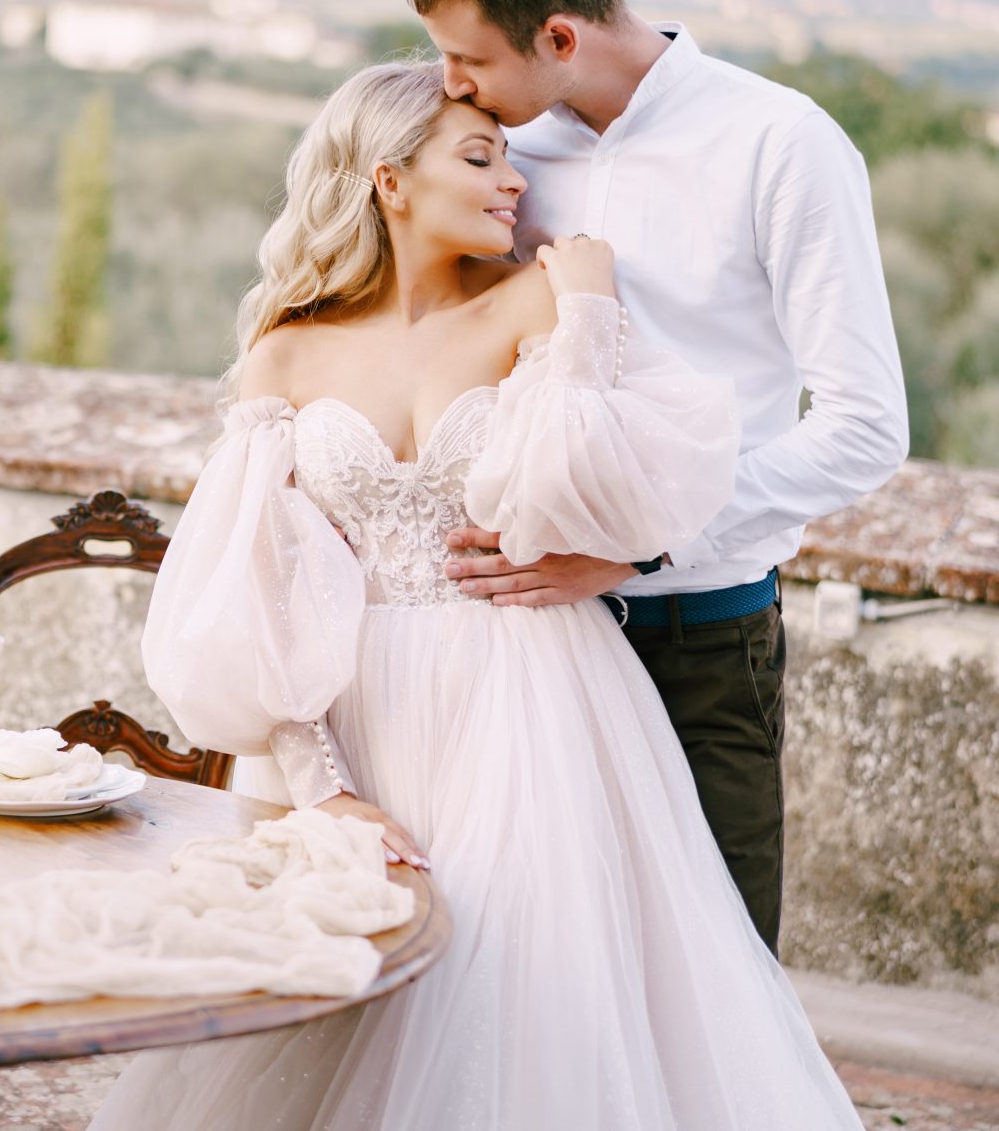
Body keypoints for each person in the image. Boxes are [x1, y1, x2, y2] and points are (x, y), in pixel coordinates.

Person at [86, 59, 863, 1129]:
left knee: (519, 995)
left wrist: (588, 312)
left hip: (536, 699)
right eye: (481, 156)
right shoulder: (285, 353)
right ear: (389, 180)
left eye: (509, 157)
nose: (517, 185)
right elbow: (253, 599)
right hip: (361, 713)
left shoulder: (540, 300)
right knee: (351, 1006)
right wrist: (323, 789)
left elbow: (607, 493)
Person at [406, 0, 908, 955]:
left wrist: (634, 550)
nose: (450, 85)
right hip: (514, 647)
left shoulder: (783, 144)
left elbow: (867, 425)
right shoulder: (497, 152)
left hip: (702, 648)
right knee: (534, 984)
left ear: (557, 33)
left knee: (720, 985)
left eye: (470, 58)